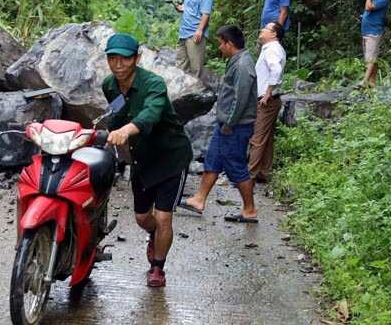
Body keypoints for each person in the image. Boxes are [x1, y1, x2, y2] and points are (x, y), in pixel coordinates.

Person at [102, 33, 194, 287]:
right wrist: (106, 132)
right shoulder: (109, 85)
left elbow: (150, 114)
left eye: (125, 59)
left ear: (137, 58)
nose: (118, 64)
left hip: (170, 157)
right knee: (143, 218)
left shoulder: (154, 84)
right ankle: (155, 235)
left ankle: (158, 267)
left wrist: (125, 131)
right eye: (113, 58)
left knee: (163, 217)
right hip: (142, 159)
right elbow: (115, 114)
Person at [179, 25, 258, 222]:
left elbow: (240, 99)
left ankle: (250, 209)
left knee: (236, 165)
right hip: (225, 124)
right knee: (212, 160)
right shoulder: (236, 61)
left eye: (221, 43)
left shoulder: (242, 66)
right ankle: (199, 199)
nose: (220, 47)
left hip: (235, 127)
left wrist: (230, 124)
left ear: (229, 44)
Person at [248, 21, 286, 183]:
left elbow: (276, 70)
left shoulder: (272, 49)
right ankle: (264, 171)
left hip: (266, 101)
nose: (261, 30)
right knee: (266, 137)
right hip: (270, 99)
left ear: (273, 34)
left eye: (266, 29)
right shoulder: (271, 49)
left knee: (257, 138)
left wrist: (267, 93)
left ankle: (249, 175)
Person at [175, 0, 214, 77]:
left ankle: (194, 92)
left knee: (195, 68)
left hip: (195, 34)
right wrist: (183, 8)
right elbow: (191, 8)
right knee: (181, 65)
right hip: (183, 33)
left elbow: (205, 14)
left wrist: (199, 30)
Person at [356, 0, 389, 89]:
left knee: (370, 59)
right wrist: (362, 18)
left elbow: (368, 7)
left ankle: (364, 82)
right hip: (366, 32)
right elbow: (369, 12)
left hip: (373, 33)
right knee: (371, 58)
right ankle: (373, 83)